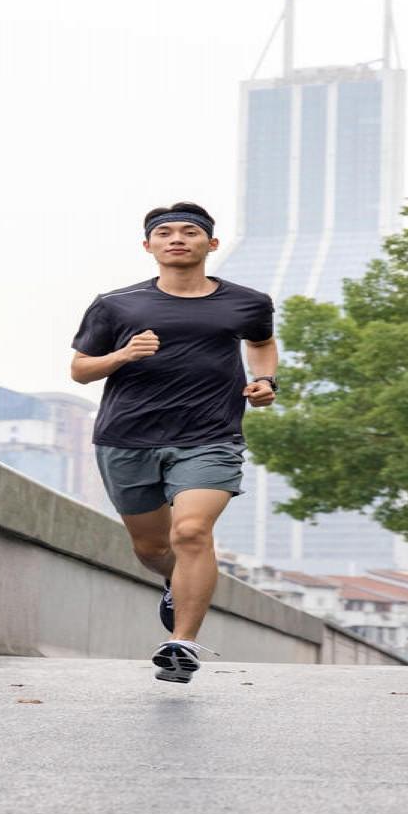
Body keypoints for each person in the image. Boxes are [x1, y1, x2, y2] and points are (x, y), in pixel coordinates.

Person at [70, 202, 278, 684]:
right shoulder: (116, 304)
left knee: (190, 533)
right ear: (149, 246)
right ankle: (173, 581)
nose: (177, 239)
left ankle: (181, 644)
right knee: (150, 547)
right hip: (127, 439)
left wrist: (265, 380)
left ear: (212, 243)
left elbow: (261, 342)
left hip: (210, 437)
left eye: (190, 232)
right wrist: (123, 354)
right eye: (164, 233)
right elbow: (80, 370)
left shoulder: (246, 302)